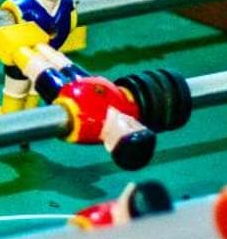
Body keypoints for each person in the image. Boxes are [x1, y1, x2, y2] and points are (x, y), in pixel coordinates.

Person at [19, 44, 158, 170]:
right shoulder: (128, 109)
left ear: (111, 143)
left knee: (34, 64)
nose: (131, 122)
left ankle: (20, 47)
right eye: (138, 126)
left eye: (129, 129)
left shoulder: (88, 127)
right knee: (56, 58)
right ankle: (38, 45)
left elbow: (38, 70)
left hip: (66, 94)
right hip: (86, 82)